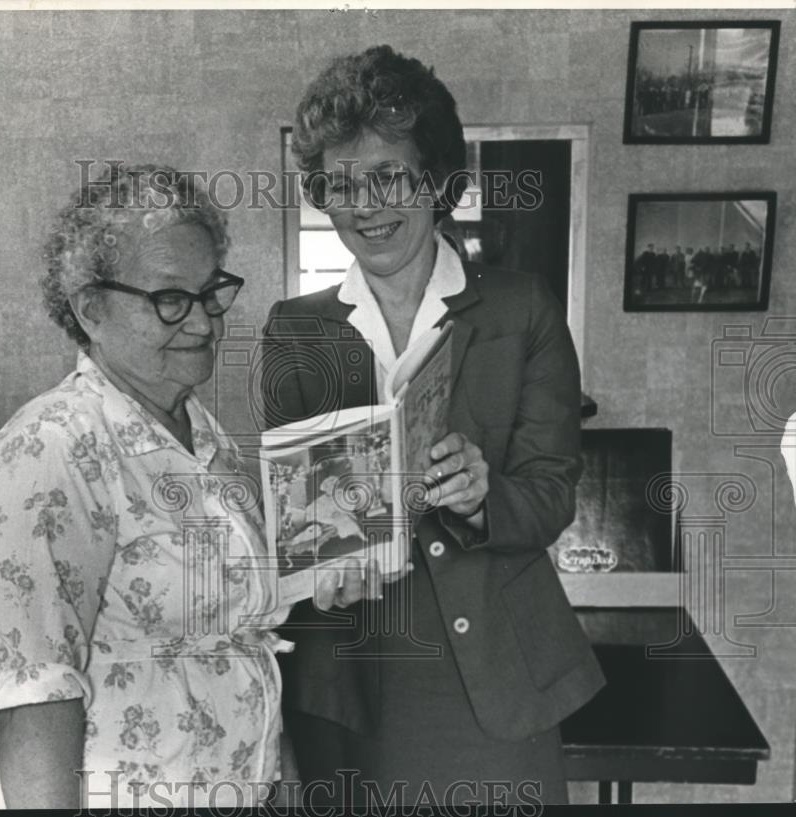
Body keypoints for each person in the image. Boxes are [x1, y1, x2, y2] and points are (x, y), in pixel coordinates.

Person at [0, 165, 373, 811]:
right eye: (170, 298)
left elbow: (240, 638)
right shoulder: (49, 452)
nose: (203, 322)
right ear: (92, 309)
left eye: (211, 291)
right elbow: (33, 696)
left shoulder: (204, 438)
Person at [261, 46, 604, 808]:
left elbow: (551, 493)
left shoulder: (524, 310)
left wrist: (484, 496)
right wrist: (318, 563)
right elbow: (295, 513)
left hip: (496, 678)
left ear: (438, 179)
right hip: (348, 675)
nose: (366, 205)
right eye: (341, 184)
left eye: (389, 175)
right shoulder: (295, 330)